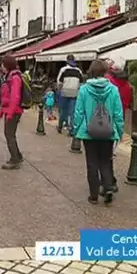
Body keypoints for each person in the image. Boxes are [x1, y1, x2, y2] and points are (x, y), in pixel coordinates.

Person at [72, 59, 124, 205]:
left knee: (92, 163)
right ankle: (108, 188)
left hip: (89, 132)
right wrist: (120, 131)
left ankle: (93, 195)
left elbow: (78, 112)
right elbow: (118, 113)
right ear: (105, 72)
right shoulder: (113, 90)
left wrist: (76, 129)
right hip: (108, 132)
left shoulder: (83, 90)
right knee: (106, 162)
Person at [103, 56, 132, 194]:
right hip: (118, 119)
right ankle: (109, 181)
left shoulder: (108, 81)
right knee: (109, 154)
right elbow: (126, 103)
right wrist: (120, 132)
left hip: (103, 119)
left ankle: (108, 183)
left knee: (100, 155)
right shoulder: (127, 85)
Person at [0, 55, 25, 169]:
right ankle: (17, 155)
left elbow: (15, 96)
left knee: (9, 134)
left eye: (3, 64)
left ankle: (14, 159)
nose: (1, 67)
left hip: (14, 111)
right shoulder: (10, 76)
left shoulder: (14, 77)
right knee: (10, 134)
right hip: (11, 109)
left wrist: (10, 112)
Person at [56, 54, 84, 135]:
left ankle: (60, 127)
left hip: (64, 92)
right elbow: (81, 83)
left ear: (67, 60)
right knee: (72, 112)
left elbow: (59, 82)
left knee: (63, 111)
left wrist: (59, 90)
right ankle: (71, 130)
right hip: (75, 93)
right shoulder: (79, 71)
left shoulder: (63, 70)